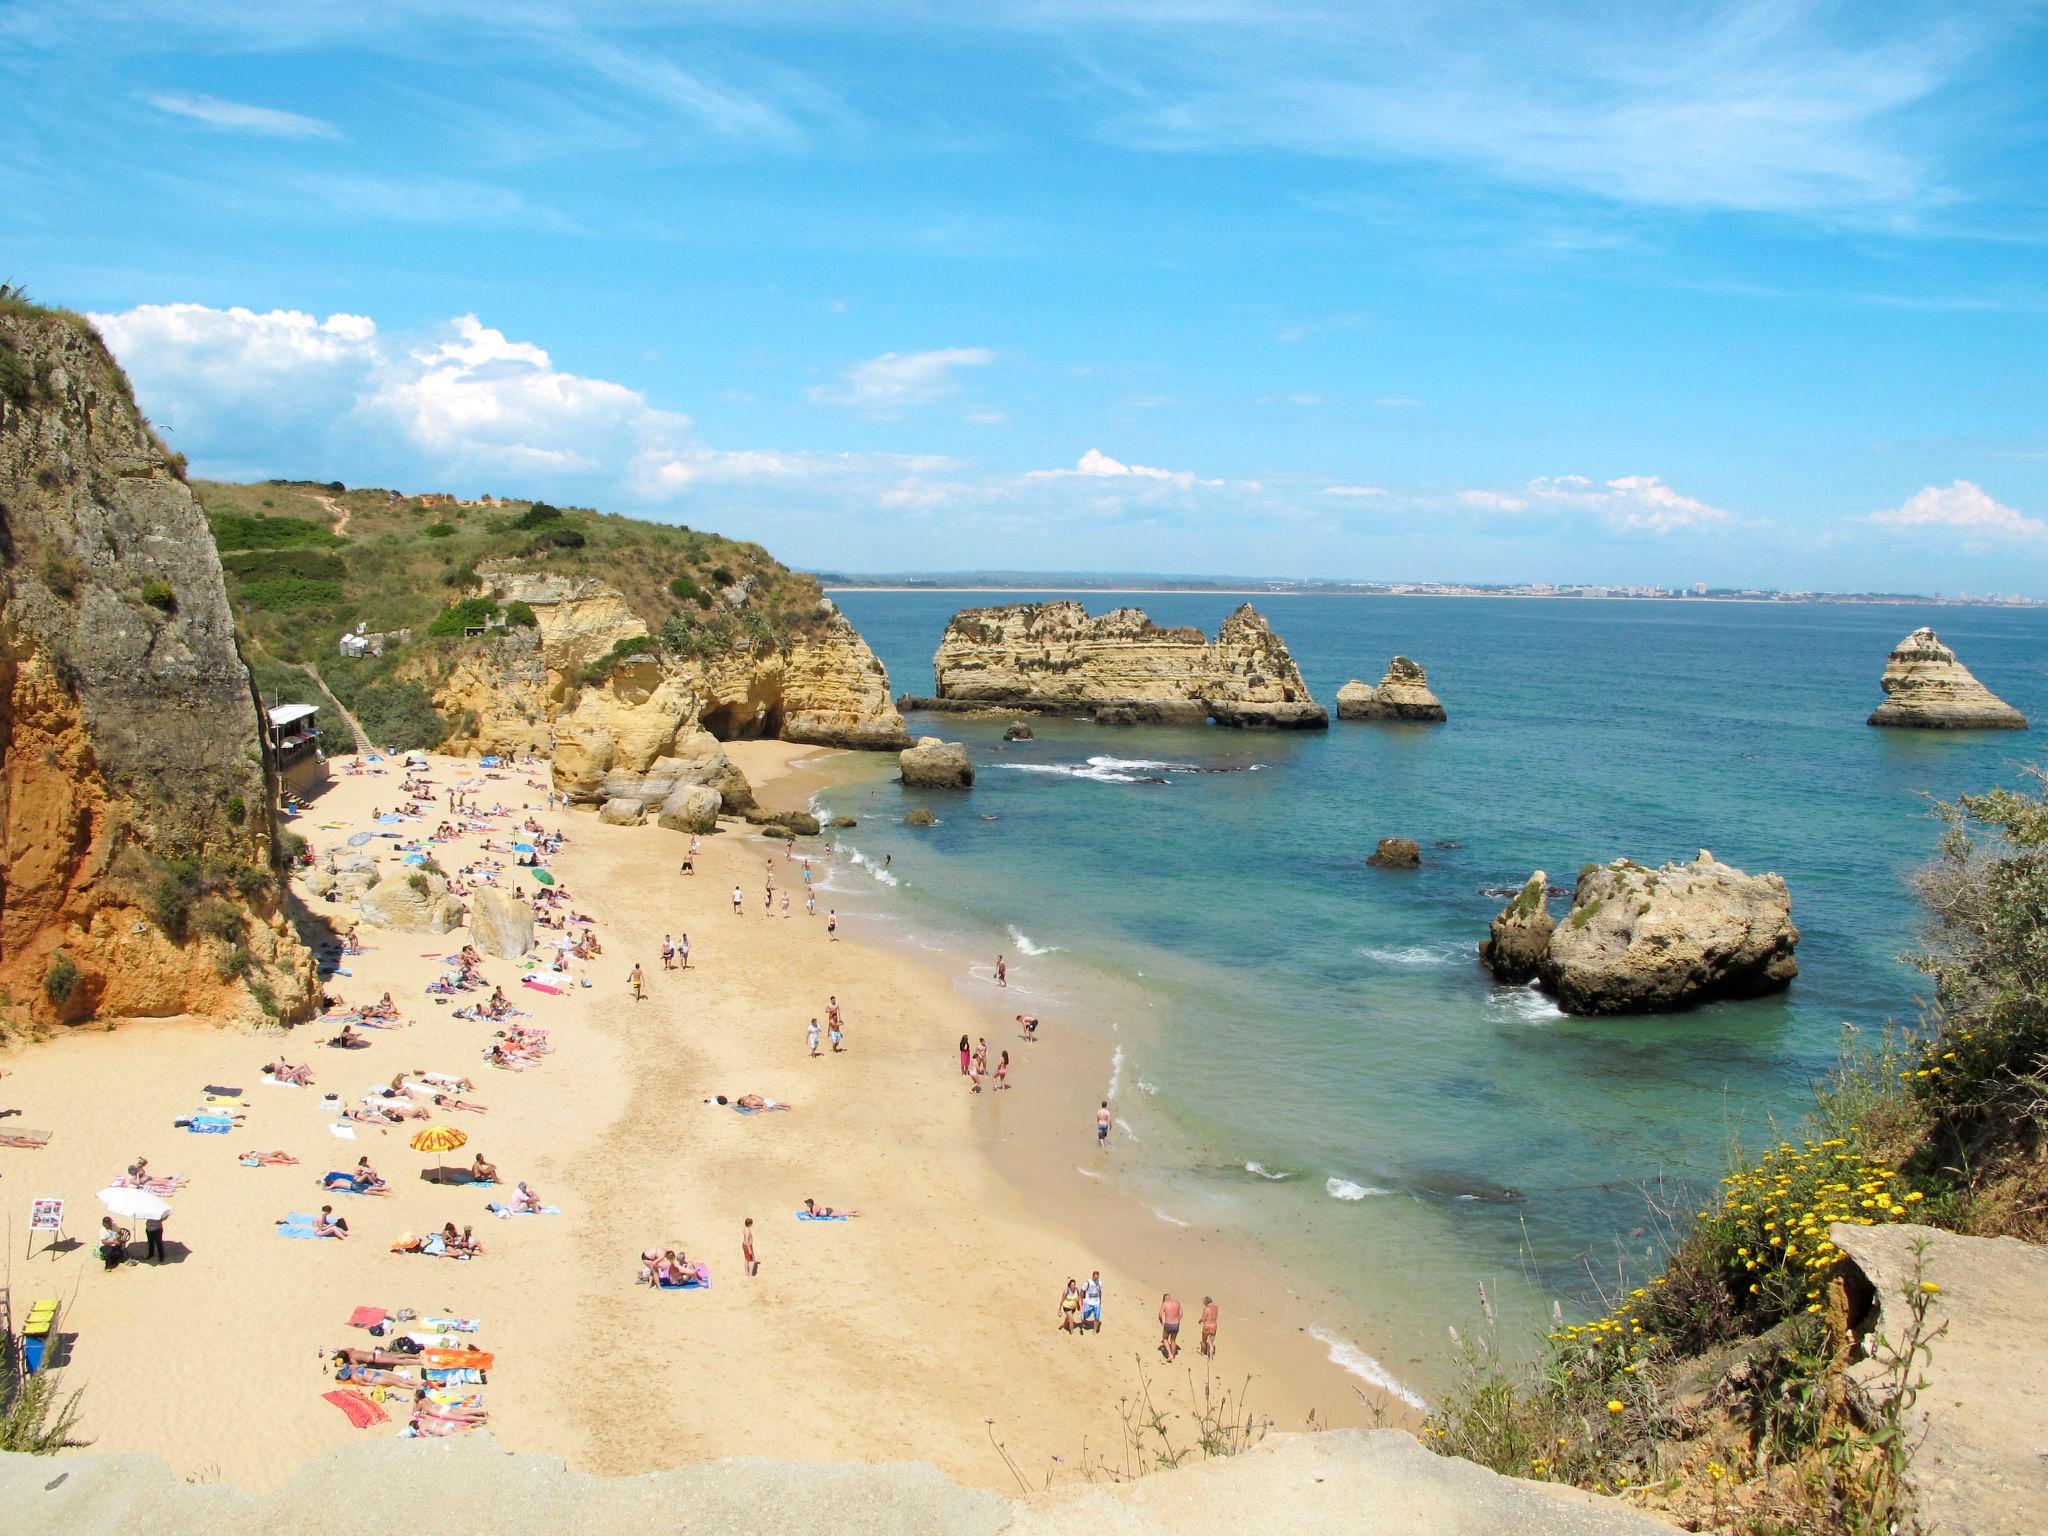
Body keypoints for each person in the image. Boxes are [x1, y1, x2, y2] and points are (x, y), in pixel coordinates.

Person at [1158, 1294, 1183, 1361]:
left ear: (1164, 1299)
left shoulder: (1165, 1303)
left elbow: (1160, 1315)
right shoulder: (1177, 1303)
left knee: (1165, 1338)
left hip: (1168, 1324)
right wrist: (1177, 1320)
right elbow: (1181, 1314)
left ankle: (1170, 1354)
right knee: (1173, 1340)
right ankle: (1173, 1355)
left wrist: (1162, 1322)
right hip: (1176, 1324)